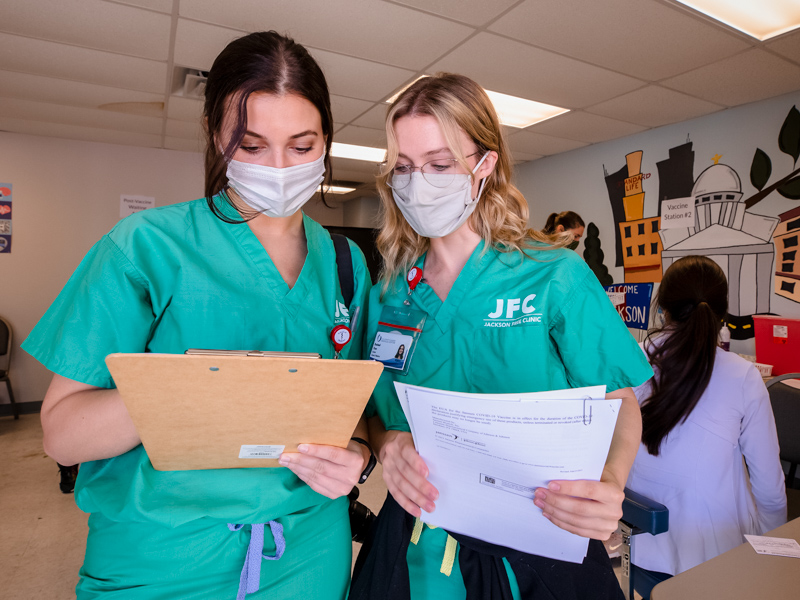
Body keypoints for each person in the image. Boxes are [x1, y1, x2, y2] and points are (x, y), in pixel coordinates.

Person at [23, 31, 375, 600]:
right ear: (217, 137)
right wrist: (198, 388)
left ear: (327, 140)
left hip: (309, 550)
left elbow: (349, 410)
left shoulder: (346, 263)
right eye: (253, 145)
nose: (279, 167)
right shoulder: (146, 248)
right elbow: (63, 436)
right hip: (163, 557)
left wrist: (357, 456)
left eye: (302, 145)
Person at [349, 73, 653, 600]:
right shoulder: (389, 293)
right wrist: (388, 442)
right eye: (403, 167)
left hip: (539, 540)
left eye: (440, 165)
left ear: (484, 166)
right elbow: (374, 410)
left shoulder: (552, 275)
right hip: (418, 539)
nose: (418, 182)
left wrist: (610, 479)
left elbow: (618, 398)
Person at [626, 255, 787, 599]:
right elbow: (770, 490)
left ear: (662, 308)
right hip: (714, 561)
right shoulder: (743, 376)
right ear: (722, 313)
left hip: (634, 551)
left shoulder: (629, 362)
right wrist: (771, 555)